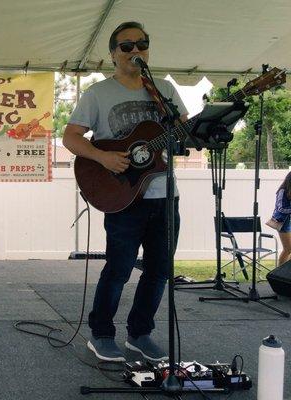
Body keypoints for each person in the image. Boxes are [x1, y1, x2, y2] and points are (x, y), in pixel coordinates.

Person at [63, 21, 188, 362]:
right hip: (123, 194)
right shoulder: (98, 94)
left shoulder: (164, 91)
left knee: (160, 269)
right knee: (118, 269)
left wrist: (200, 129)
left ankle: (140, 333)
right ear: (113, 54)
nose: (136, 51)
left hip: (165, 194)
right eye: (127, 46)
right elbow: (71, 137)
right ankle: (101, 333)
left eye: (141, 44)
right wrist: (103, 156)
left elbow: (183, 133)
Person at [271, 171, 291, 265]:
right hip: (282, 223)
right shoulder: (282, 191)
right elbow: (281, 208)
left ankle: (286, 272)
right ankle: (279, 273)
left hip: (288, 222)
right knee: (288, 249)